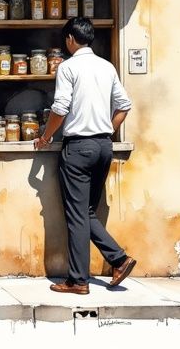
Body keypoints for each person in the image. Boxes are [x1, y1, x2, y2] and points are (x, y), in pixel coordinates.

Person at [34, 17, 137, 294]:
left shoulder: (68, 67)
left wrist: (45, 137)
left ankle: (79, 280)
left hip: (79, 147)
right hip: (104, 146)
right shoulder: (107, 67)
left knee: (77, 215)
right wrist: (104, 131)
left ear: (69, 39)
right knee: (86, 212)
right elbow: (124, 106)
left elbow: (60, 108)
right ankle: (118, 259)